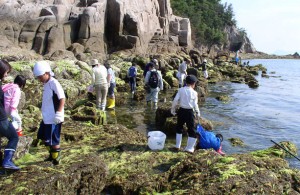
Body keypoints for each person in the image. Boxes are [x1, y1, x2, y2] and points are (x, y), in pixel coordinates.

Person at [33, 61, 65, 165]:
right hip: (47, 117)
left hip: (54, 118)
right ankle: (51, 156)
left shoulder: (54, 83)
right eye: (38, 77)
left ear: (47, 73)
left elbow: (62, 98)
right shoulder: (46, 83)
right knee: (42, 137)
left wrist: (59, 113)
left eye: (40, 76)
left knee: (53, 140)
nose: (39, 79)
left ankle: (56, 160)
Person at [171, 75, 200, 153]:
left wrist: (172, 109)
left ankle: (177, 146)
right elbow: (195, 104)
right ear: (193, 83)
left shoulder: (180, 90)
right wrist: (197, 113)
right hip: (190, 112)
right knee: (192, 130)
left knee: (179, 127)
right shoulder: (194, 93)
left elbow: (175, 100)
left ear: (185, 82)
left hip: (181, 111)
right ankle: (189, 148)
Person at [0, 60, 20, 170]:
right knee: (14, 137)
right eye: (6, 72)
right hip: (1, 119)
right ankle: (7, 161)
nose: (6, 74)